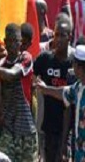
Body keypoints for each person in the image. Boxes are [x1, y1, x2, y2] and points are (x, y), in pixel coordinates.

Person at [0, 24, 38, 162]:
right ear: (5, 41)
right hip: (8, 129)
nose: (13, 44)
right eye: (9, 40)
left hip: (26, 130)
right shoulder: (1, 65)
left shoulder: (25, 58)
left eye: (16, 41)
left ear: (21, 42)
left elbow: (11, 75)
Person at [33, 13, 73, 161]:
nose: (59, 39)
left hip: (69, 129)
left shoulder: (75, 63)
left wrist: (46, 89)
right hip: (48, 126)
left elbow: (69, 94)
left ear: (70, 36)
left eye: (62, 35)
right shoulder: (45, 59)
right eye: (56, 34)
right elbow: (31, 75)